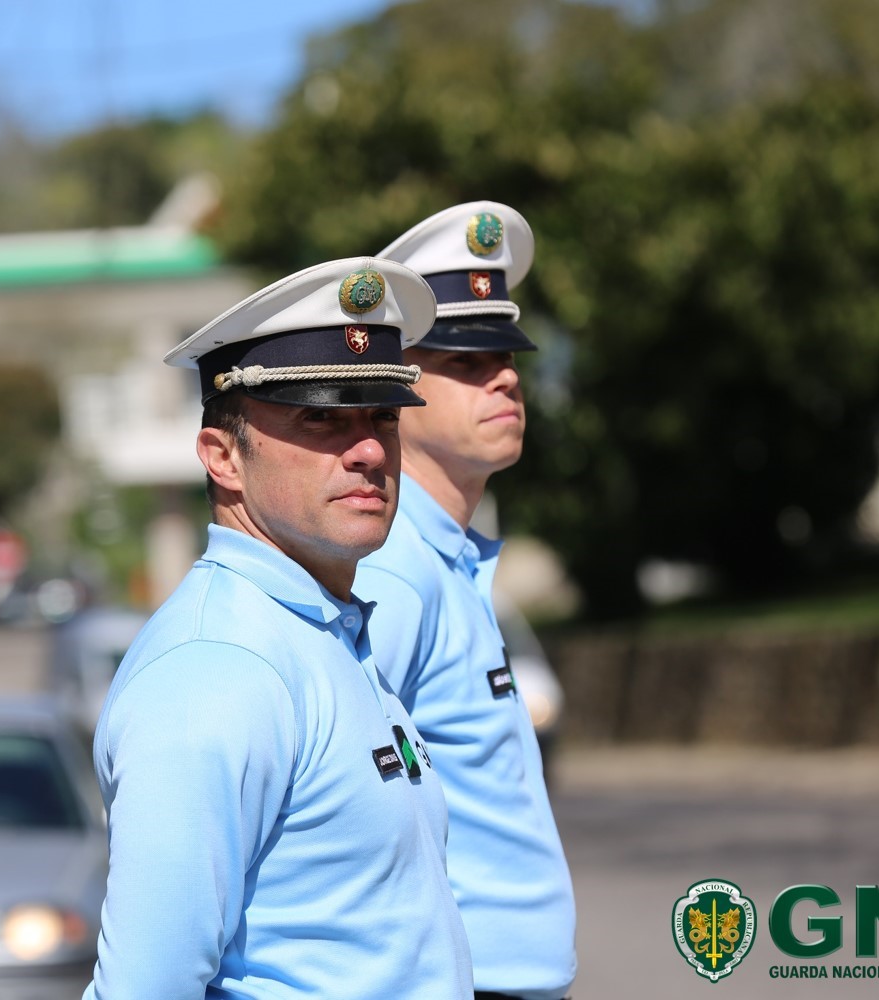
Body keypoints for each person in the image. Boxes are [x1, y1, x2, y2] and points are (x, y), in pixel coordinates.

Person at [83, 257, 473, 1000]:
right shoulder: (217, 669)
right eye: (320, 418)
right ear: (222, 457)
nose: (367, 451)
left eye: (381, 417)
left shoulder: (315, 632)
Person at [355, 202, 577, 1000]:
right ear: (395, 388)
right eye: (466, 362)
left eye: (506, 356)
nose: (507, 375)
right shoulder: (390, 573)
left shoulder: (443, 560)